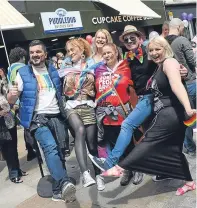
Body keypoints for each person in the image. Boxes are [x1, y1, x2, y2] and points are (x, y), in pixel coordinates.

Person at [89, 25, 189, 184]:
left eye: (132, 38)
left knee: (128, 125)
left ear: (140, 38)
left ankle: (110, 162)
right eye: (126, 40)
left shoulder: (150, 51)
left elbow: (166, 61)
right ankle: (166, 170)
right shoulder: (127, 59)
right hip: (144, 100)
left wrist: (182, 70)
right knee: (153, 138)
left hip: (152, 98)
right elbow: (106, 66)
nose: (129, 41)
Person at [7, 40, 76, 202]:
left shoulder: (53, 70)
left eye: (38, 52)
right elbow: (11, 99)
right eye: (32, 52)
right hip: (37, 118)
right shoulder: (23, 73)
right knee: (50, 148)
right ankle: (65, 182)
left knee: (60, 151)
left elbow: (62, 92)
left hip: (57, 116)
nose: (35, 55)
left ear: (45, 54)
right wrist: (12, 93)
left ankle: (58, 190)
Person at [90, 43, 139, 186]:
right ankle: (126, 169)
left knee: (129, 143)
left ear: (116, 52)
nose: (106, 55)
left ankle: (136, 168)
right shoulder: (98, 70)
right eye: (104, 53)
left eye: (109, 52)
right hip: (105, 114)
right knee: (114, 142)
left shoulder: (125, 66)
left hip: (122, 111)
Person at [61, 38, 105, 191]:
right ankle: (85, 173)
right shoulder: (65, 68)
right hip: (71, 107)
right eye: (68, 50)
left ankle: (98, 175)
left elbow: (102, 82)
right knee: (79, 130)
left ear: (81, 51)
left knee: (92, 145)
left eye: (73, 49)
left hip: (88, 106)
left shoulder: (92, 65)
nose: (70, 53)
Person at [165, 18, 196, 156]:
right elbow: (193, 61)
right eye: (182, 27)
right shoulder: (182, 40)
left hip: (172, 85)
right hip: (189, 83)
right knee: (191, 114)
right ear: (178, 27)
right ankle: (190, 146)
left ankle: (188, 146)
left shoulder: (163, 43)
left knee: (183, 115)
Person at [8, 47, 36, 161]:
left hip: (16, 102)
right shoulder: (22, 68)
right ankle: (33, 149)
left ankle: (30, 151)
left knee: (26, 126)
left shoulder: (10, 68)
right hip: (24, 101)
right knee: (30, 126)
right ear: (22, 57)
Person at [0, 67, 27, 183]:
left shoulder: (3, 82)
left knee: (13, 145)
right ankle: (13, 173)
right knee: (8, 147)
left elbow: (8, 95)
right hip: (1, 119)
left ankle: (17, 169)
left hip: (9, 117)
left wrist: (3, 78)